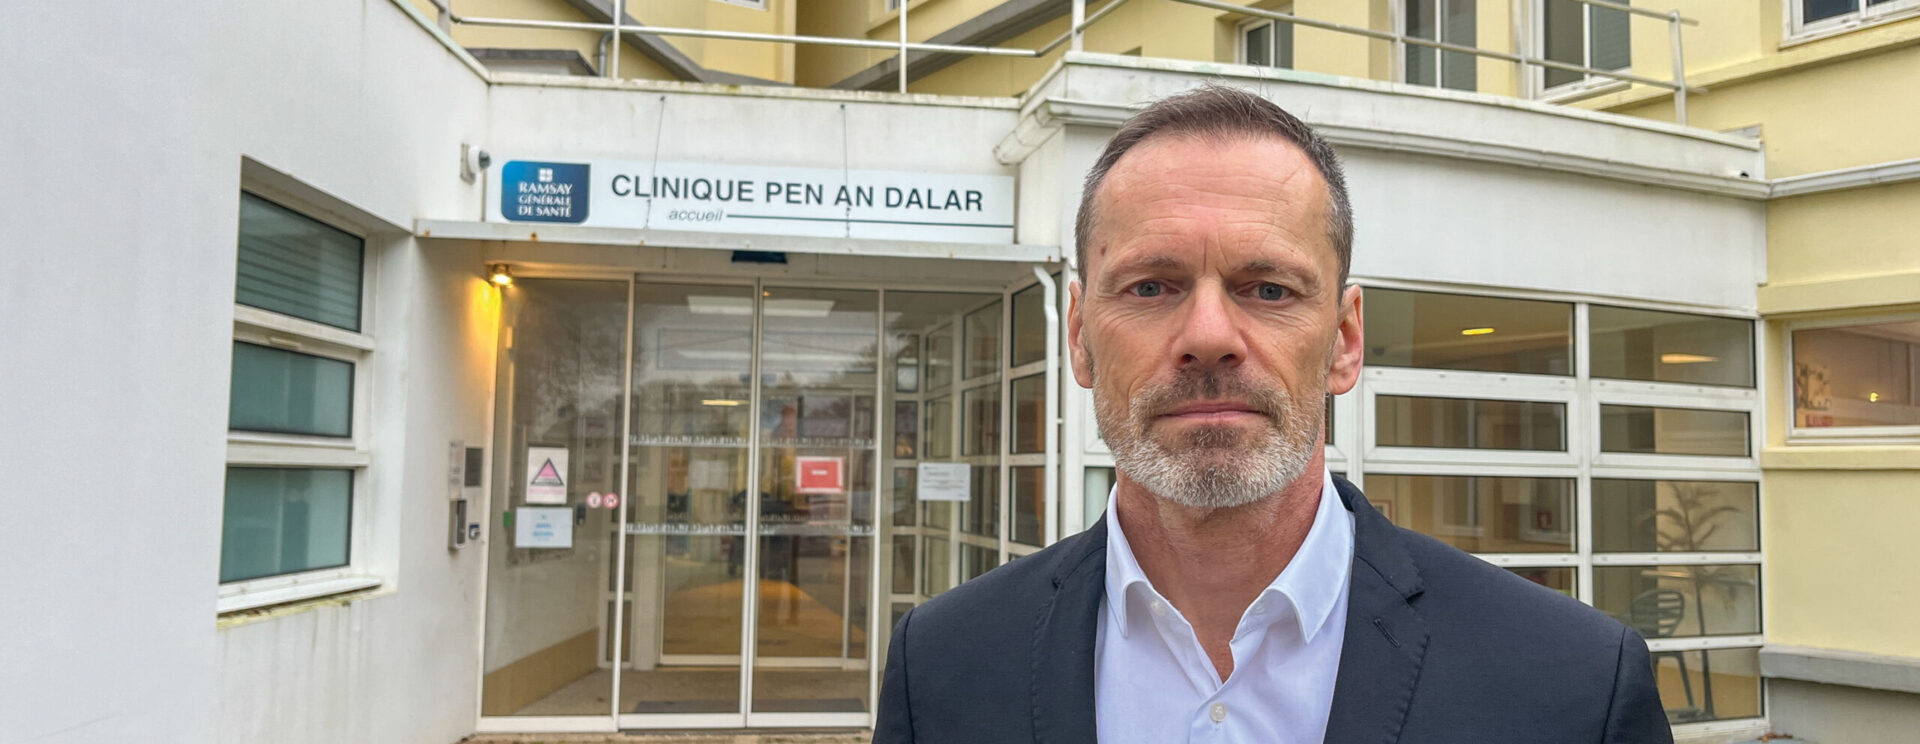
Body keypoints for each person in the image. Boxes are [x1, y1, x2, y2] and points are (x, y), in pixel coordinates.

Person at [872, 85, 1673, 743]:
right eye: (1152, 286)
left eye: (1269, 289)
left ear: (1345, 341)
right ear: (1079, 337)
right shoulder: (944, 666)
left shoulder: (1573, 685)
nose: (1210, 337)